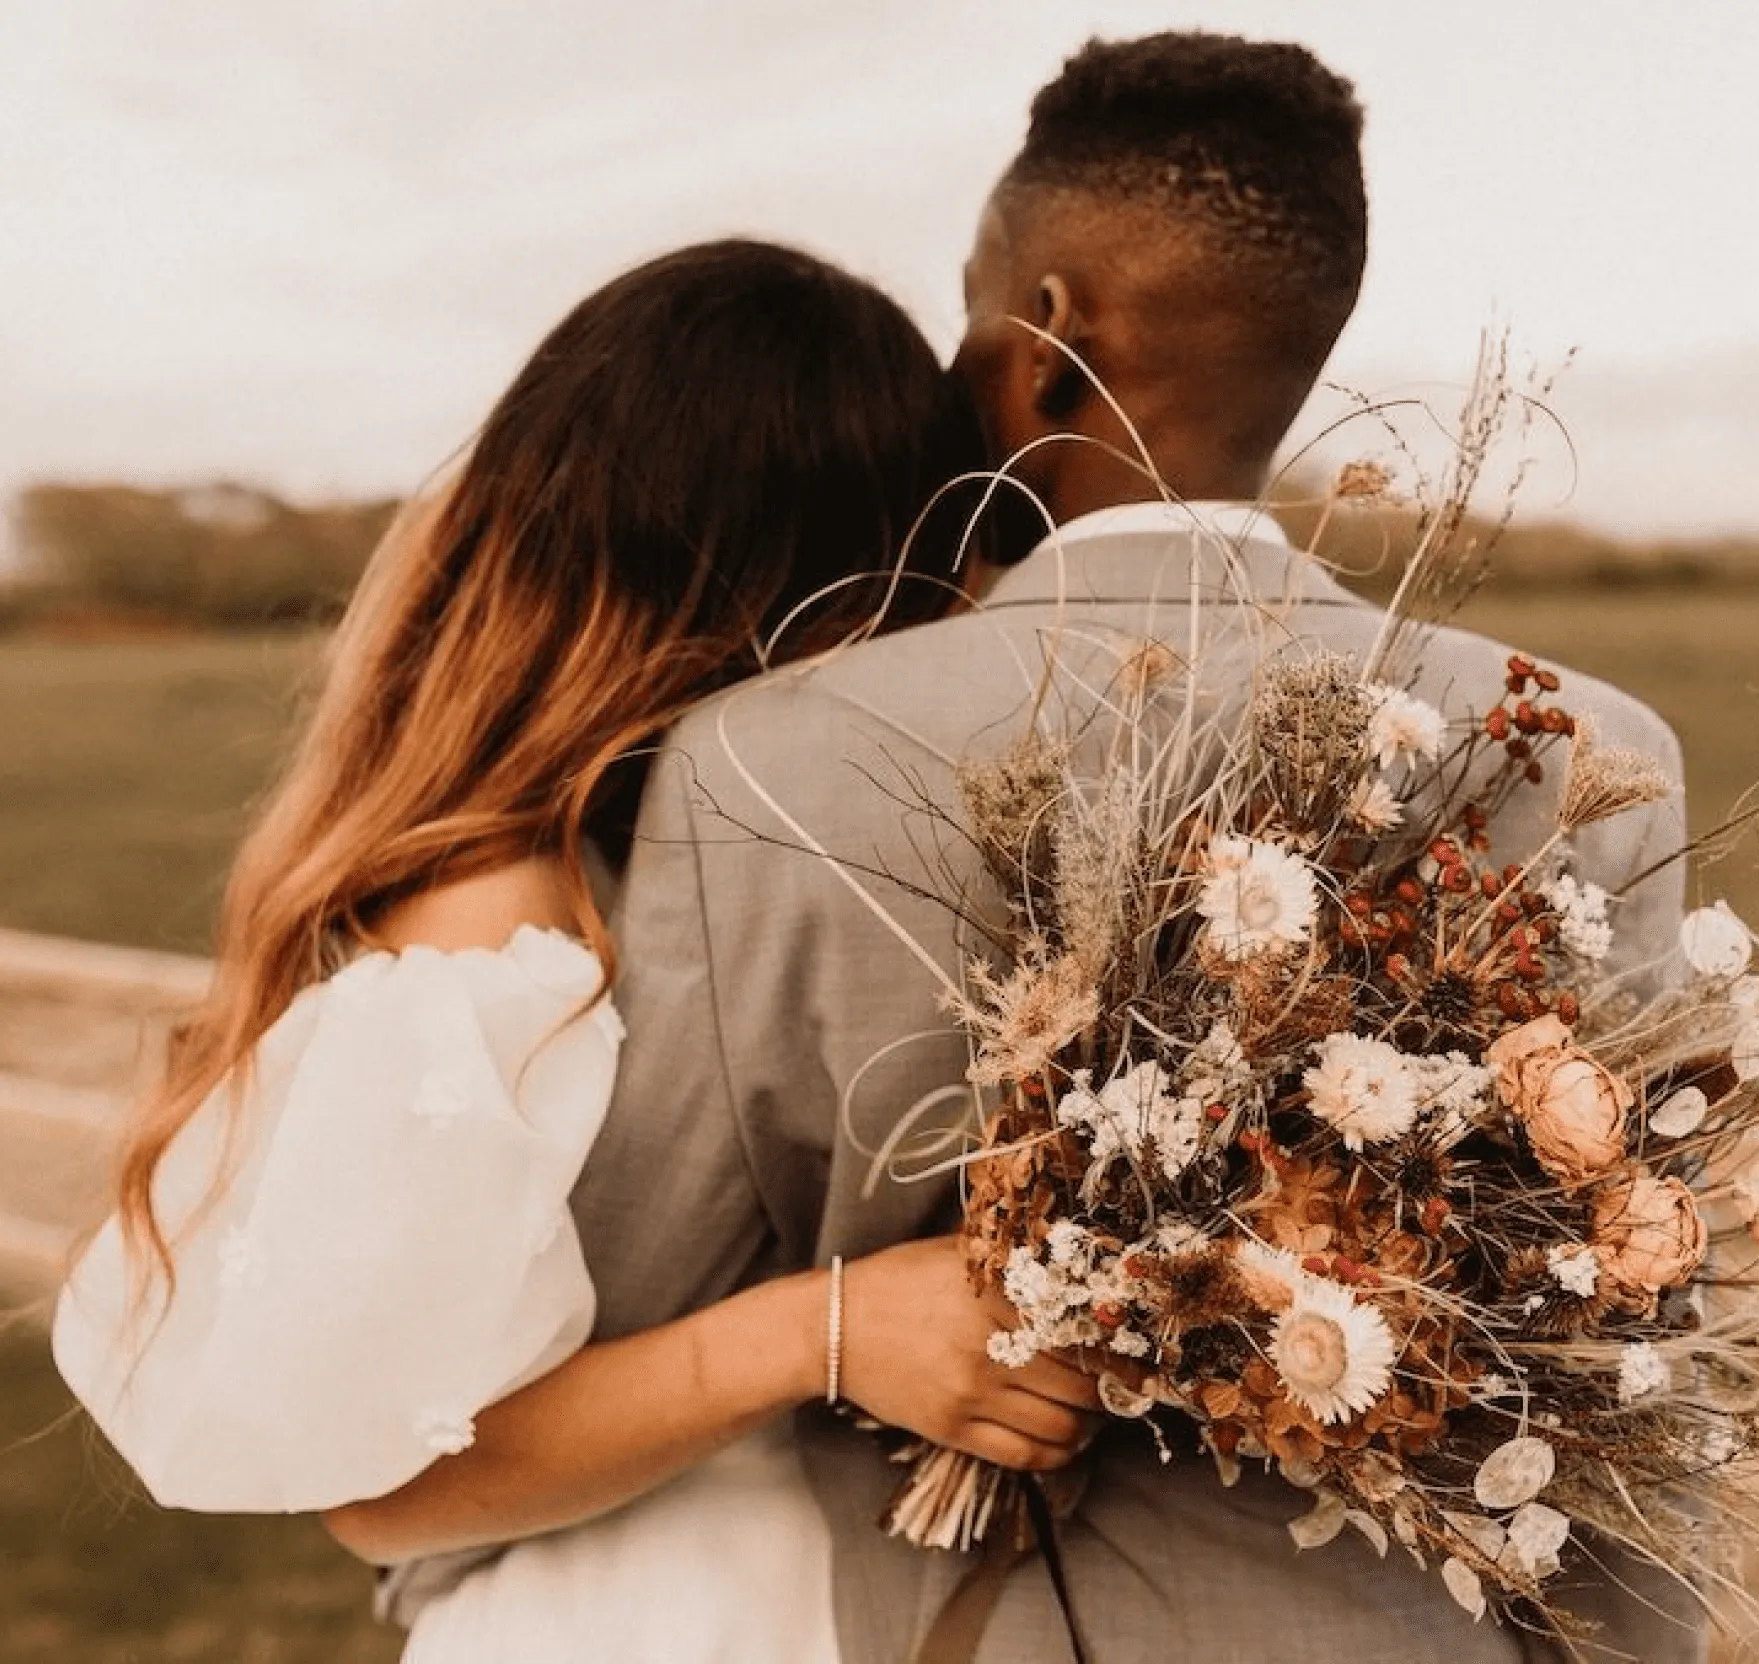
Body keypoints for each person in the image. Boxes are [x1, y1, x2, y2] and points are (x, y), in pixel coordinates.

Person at [356, 34, 1706, 1664]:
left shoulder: (767, 761)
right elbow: (1633, 1318)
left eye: (970, 308)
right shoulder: (1592, 760)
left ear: (1046, 338)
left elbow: (600, 1342)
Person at [52, 238, 1105, 1662]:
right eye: (915, 586)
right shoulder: (502, 921)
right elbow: (390, 1490)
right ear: (799, 586)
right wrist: (827, 1332)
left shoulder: (690, 856)